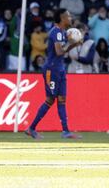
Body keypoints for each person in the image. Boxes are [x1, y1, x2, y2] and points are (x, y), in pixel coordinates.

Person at [25, 9, 82, 139]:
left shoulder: (62, 32)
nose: (70, 17)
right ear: (62, 18)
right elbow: (59, 52)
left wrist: (73, 44)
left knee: (62, 100)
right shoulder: (56, 32)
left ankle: (66, 131)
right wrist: (73, 45)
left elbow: (61, 51)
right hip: (51, 69)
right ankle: (31, 128)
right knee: (50, 100)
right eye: (68, 15)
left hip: (60, 69)